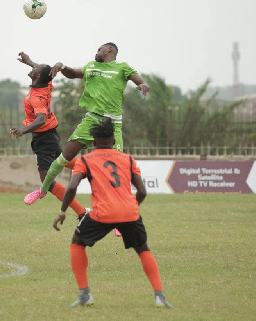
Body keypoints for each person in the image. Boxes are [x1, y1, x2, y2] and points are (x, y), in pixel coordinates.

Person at [52, 118, 172, 308]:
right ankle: (160, 296)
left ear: (93, 141)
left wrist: (62, 212)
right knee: (143, 249)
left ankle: (85, 295)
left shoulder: (85, 160)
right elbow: (142, 191)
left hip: (102, 214)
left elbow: (72, 187)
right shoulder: (128, 159)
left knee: (77, 243)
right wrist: (132, 207)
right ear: (114, 138)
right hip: (129, 212)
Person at [24, 42, 150, 205]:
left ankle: (121, 216)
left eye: (99, 49)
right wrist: (61, 66)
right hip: (91, 121)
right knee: (63, 159)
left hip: (112, 125)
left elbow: (139, 80)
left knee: (118, 169)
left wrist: (143, 85)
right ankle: (42, 191)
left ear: (110, 50)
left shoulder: (122, 67)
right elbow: (73, 74)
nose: (96, 52)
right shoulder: (91, 66)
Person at [10, 52, 87, 217]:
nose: (34, 66)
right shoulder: (44, 83)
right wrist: (29, 61)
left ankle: (81, 213)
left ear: (37, 75)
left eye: (36, 67)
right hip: (49, 136)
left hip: (44, 139)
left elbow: (41, 119)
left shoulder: (37, 97)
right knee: (64, 162)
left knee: (48, 182)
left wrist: (23, 130)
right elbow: (43, 71)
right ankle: (92, 168)